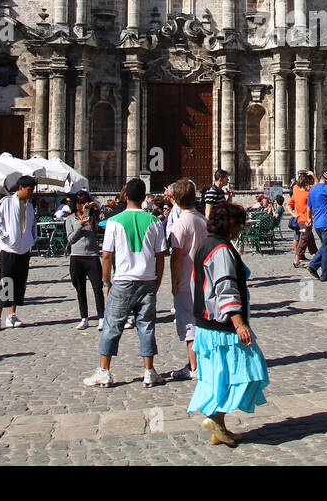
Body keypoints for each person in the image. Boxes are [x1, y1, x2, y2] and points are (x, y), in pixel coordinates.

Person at [187, 202, 270, 446]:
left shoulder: (206, 244)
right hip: (222, 327)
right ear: (231, 223)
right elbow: (225, 287)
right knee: (246, 371)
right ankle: (214, 418)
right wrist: (239, 323)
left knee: (218, 375)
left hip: (206, 324)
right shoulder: (221, 249)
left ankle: (219, 428)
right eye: (240, 224)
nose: (242, 229)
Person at [85, 178, 167, 388]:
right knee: (147, 326)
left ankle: (104, 371)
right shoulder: (155, 222)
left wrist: (106, 281)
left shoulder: (114, 222)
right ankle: (149, 371)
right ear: (144, 197)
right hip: (147, 280)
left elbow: (106, 255)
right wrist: (157, 279)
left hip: (123, 280)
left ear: (125, 196)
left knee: (112, 326)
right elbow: (160, 256)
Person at [168, 179, 208, 381]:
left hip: (185, 280)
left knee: (188, 324)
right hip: (204, 280)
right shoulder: (204, 221)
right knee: (201, 321)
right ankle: (202, 361)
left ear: (175, 199)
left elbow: (176, 256)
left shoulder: (180, 224)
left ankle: (194, 367)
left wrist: (173, 281)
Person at [0, 175, 37, 331]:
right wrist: (6, 239)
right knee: (6, 282)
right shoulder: (6, 202)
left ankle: (12, 314)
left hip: (24, 249)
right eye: (29, 190)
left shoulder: (29, 206)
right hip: (9, 248)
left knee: (19, 282)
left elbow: (32, 224)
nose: (31, 193)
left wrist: (32, 239)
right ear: (21, 188)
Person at [67, 194, 104, 330]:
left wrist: (94, 206)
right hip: (76, 256)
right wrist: (79, 225)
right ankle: (84, 318)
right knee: (80, 289)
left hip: (92, 256)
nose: (82, 206)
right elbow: (71, 239)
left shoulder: (92, 218)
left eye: (85, 203)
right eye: (80, 203)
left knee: (97, 287)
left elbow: (106, 214)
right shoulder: (70, 219)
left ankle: (101, 317)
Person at [288, 173, 315, 267]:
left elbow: (288, 205)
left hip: (300, 220)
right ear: (307, 183)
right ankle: (296, 260)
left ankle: (317, 255)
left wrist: (294, 214)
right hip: (306, 220)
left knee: (310, 238)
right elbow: (319, 185)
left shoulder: (296, 191)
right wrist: (314, 175)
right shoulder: (309, 193)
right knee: (303, 239)